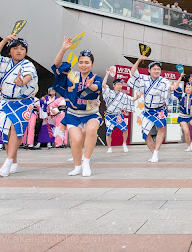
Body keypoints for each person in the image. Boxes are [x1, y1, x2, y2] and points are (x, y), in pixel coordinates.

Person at [0, 35, 38, 176]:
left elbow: (29, 75)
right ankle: (13, 162)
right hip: (6, 101)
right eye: (15, 48)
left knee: (16, 128)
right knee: (6, 131)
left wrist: (22, 82)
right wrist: (4, 41)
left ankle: (7, 162)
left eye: (22, 49)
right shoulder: (4, 62)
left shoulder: (28, 64)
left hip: (23, 102)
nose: (19, 51)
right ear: (9, 51)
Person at [52, 39, 103, 177]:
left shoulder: (96, 78)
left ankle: (86, 161)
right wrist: (63, 49)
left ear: (92, 64)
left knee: (91, 129)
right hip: (73, 114)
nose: (83, 65)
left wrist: (90, 85)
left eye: (87, 62)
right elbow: (57, 66)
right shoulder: (71, 75)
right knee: (76, 139)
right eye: (81, 62)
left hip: (91, 113)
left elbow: (95, 88)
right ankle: (77, 166)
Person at [128, 56, 170, 163]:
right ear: (149, 70)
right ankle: (154, 152)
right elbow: (133, 73)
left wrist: (172, 88)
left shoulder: (164, 81)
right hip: (147, 110)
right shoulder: (144, 79)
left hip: (160, 109)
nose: (156, 71)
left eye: (158, 69)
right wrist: (138, 60)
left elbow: (169, 89)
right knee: (145, 133)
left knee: (161, 127)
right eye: (154, 69)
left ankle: (156, 152)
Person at [102, 71, 140, 153]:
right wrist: (107, 74)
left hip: (118, 115)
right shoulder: (109, 92)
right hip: (109, 115)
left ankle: (124, 144)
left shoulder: (122, 95)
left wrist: (137, 97)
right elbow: (104, 85)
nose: (120, 86)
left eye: (121, 84)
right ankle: (109, 147)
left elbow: (132, 99)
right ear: (114, 85)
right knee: (108, 132)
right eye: (118, 84)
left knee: (125, 129)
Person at [170, 73, 192, 152]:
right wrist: (180, 77)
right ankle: (188, 146)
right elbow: (176, 87)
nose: (188, 88)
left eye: (189, 87)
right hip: (182, 116)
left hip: (191, 116)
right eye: (187, 87)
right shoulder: (181, 95)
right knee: (186, 132)